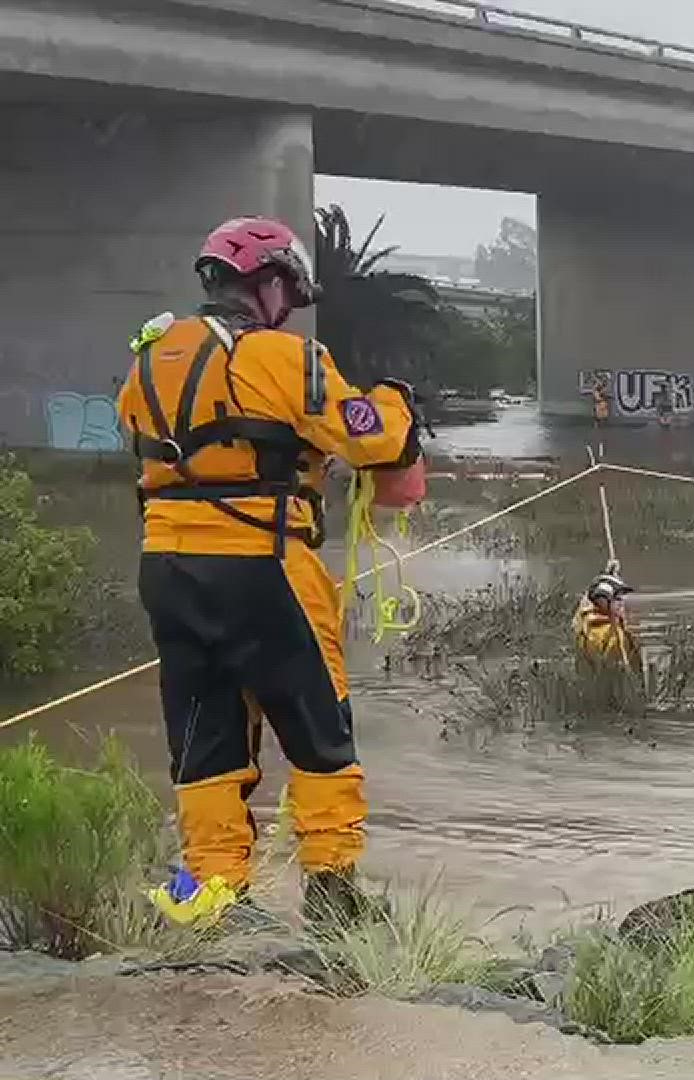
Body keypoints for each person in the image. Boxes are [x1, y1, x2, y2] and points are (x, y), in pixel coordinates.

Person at [117, 215, 422, 931]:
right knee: (319, 720)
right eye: (287, 287)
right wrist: (397, 401)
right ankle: (333, 891)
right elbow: (370, 437)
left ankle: (215, 897)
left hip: (167, 566)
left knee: (202, 730)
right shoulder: (285, 356)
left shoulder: (150, 355)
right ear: (270, 282)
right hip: (265, 561)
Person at [574, 569, 638, 666]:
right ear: (603, 601)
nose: (622, 604)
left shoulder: (588, 621)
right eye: (618, 599)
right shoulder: (601, 631)